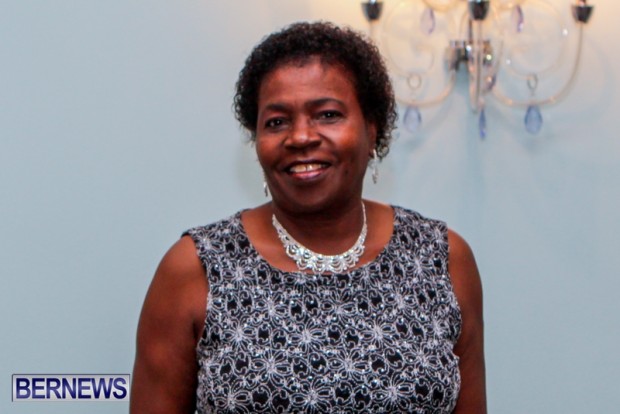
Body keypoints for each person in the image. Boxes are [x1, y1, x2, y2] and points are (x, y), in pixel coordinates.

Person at [130, 21, 486, 413]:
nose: (300, 137)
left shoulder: (441, 258)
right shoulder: (196, 268)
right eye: (277, 121)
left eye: (327, 114)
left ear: (372, 129)